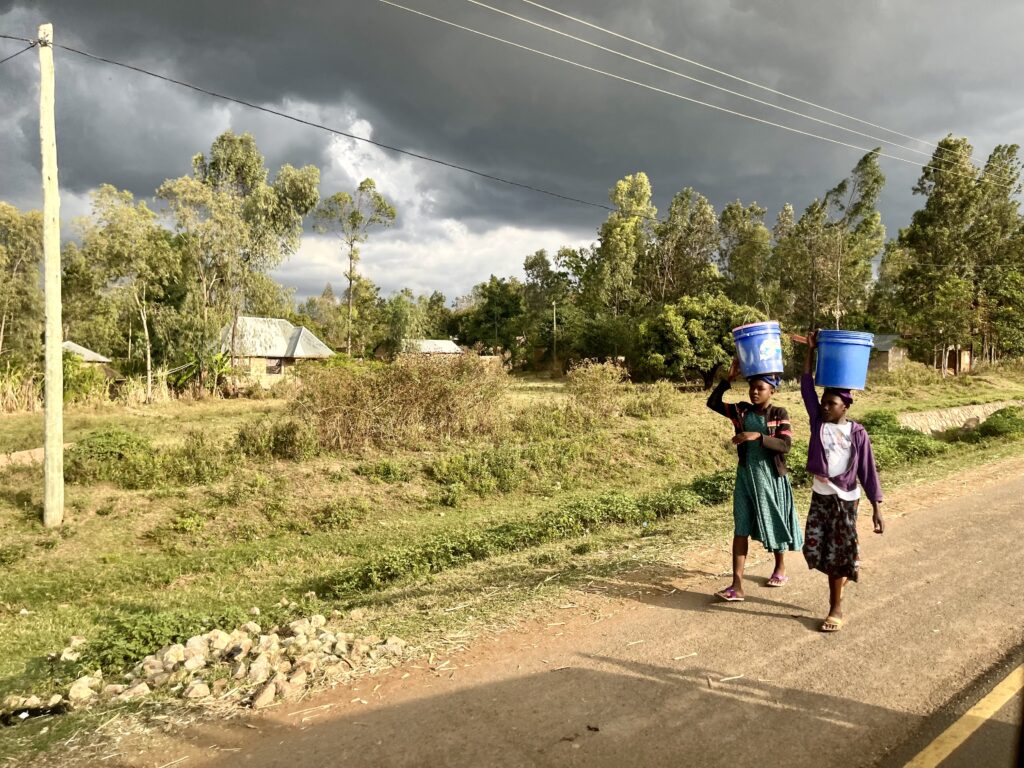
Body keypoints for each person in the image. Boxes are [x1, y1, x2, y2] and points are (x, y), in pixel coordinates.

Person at [802, 331, 885, 632]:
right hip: (820, 497)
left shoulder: (857, 433)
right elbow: (806, 387)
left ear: (845, 407)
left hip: (846, 500)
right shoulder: (817, 425)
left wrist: (877, 507)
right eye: (824, 403)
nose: (824, 407)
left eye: (831, 403)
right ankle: (845, 570)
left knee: (837, 556)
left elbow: (868, 471)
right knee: (814, 549)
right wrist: (810, 351)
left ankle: (835, 606)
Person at [706, 358, 802, 602]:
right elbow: (713, 402)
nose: (755, 392)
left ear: (773, 390)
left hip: (770, 477)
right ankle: (737, 585)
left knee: (774, 519)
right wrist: (727, 380)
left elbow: (785, 445)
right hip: (746, 476)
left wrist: (756, 436)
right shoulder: (742, 410)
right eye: (752, 388)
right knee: (740, 527)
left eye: (761, 388)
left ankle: (780, 566)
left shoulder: (779, 413)